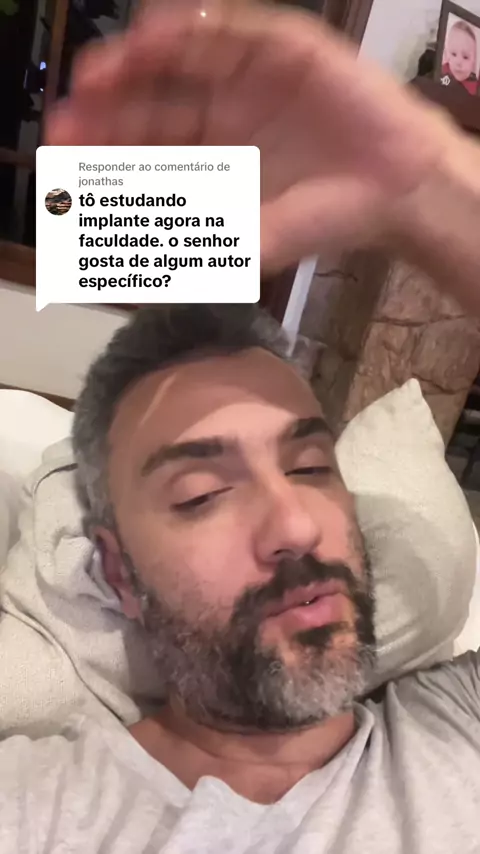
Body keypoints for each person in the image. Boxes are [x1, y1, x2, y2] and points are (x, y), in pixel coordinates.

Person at [0, 2, 479, 851]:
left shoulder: (458, 726)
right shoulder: (33, 807)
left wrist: (433, 192)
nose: (296, 525)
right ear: (119, 573)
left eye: (311, 467)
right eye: (202, 493)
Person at [441, 19, 479, 95]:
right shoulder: (442, 71)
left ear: (474, 61)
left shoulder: (475, 87)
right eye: (453, 54)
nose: (458, 62)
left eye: (465, 57)